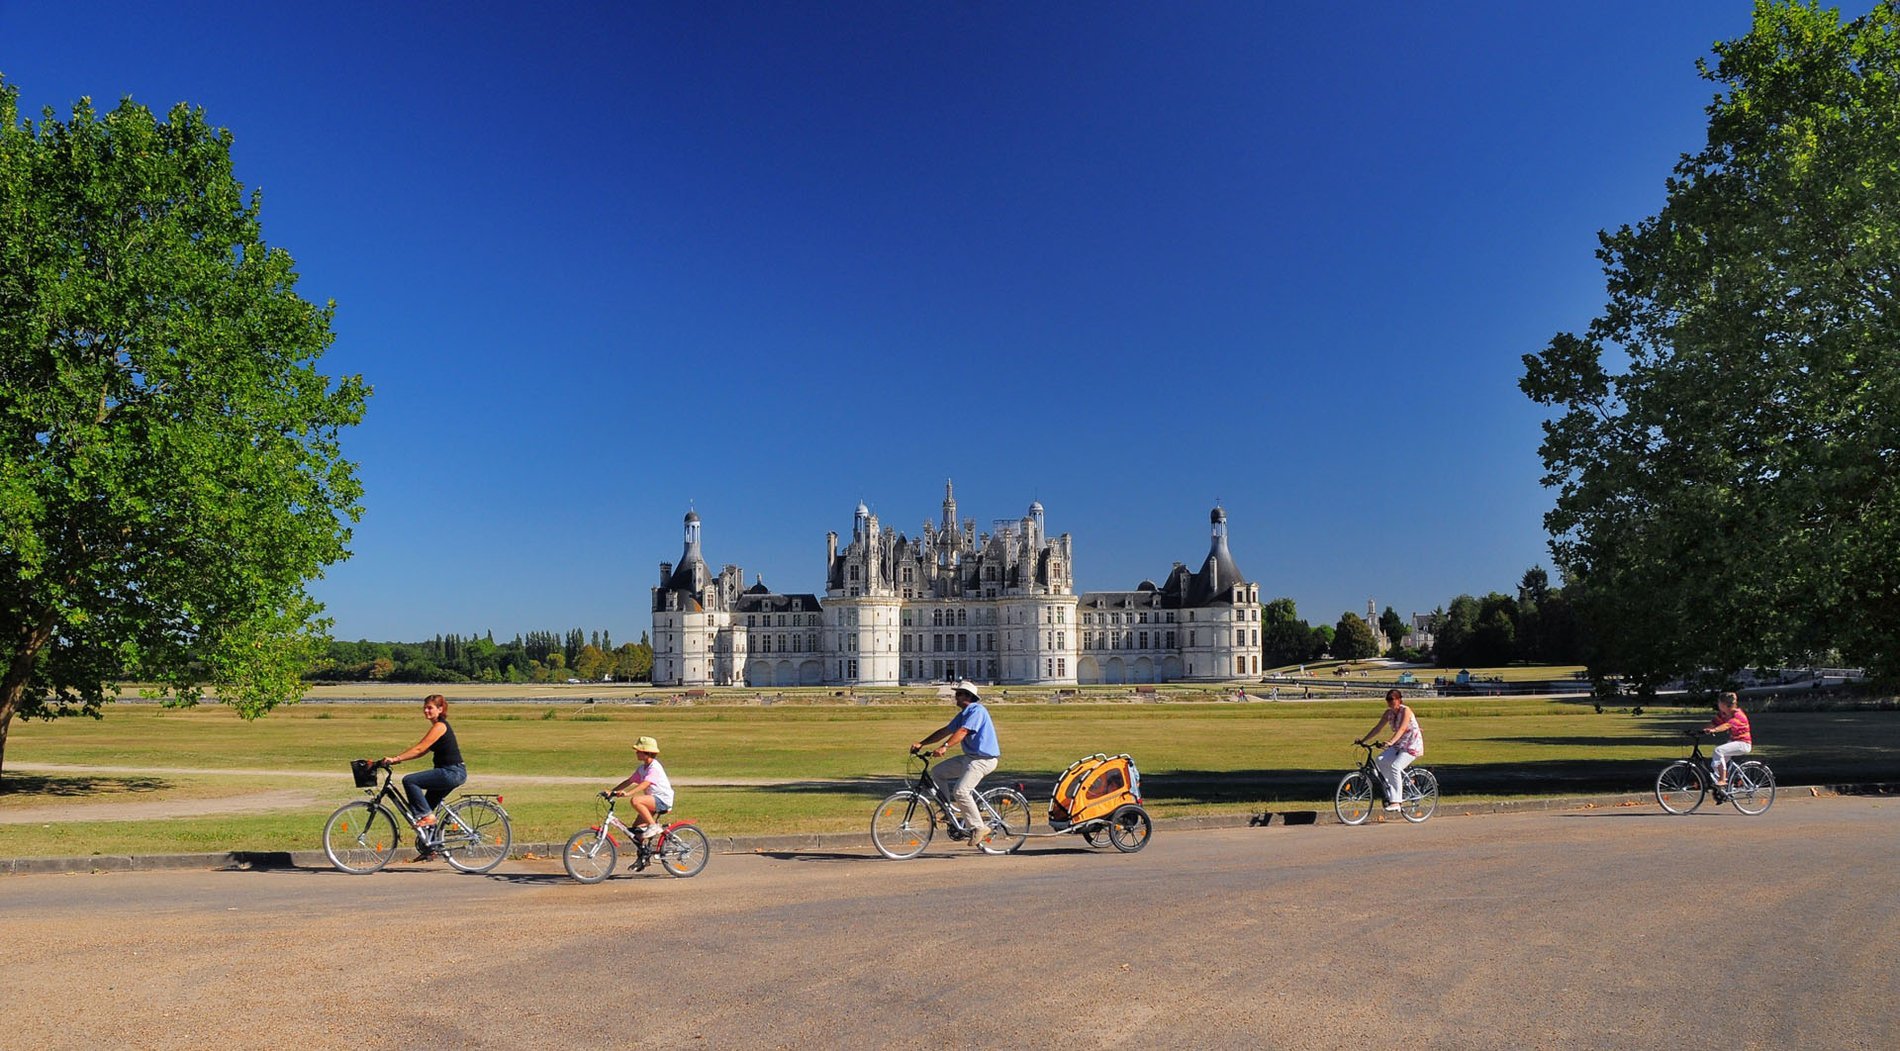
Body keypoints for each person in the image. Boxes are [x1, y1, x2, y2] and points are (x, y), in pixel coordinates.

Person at [376, 694, 465, 859]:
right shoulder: (438, 727)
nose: (426, 710)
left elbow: (419, 748)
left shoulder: (440, 726)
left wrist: (395, 759)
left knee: (410, 781)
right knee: (426, 808)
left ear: (440, 709)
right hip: (451, 772)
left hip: (451, 772)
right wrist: (399, 760)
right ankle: (430, 849)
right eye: (424, 707)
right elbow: (422, 752)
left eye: (430, 707)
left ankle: (429, 818)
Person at [912, 680, 1001, 846]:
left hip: (983, 760)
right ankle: (947, 810)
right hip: (970, 758)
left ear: (969, 696)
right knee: (938, 772)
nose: (956, 696)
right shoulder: (964, 713)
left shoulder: (977, 710)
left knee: (961, 791)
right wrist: (922, 743)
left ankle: (978, 827)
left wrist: (945, 747)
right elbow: (946, 730)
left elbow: (963, 731)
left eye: (959, 694)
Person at [1355, 689, 1423, 813]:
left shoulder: (1406, 711)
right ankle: (1392, 788)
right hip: (1399, 744)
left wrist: (1390, 742)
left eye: (1392, 700)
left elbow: (1402, 729)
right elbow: (1378, 728)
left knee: (1395, 767)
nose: (1390, 703)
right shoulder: (1389, 713)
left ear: (1399, 700)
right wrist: (1363, 740)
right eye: (1388, 700)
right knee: (1380, 760)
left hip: (1411, 745)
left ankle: (1396, 802)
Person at [607, 736, 674, 840]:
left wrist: (628, 793)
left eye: (639, 751)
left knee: (636, 800)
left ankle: (653, 826)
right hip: (652, 800)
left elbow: (645, 784)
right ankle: (643, 854)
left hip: (662, 800)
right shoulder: (642, 768)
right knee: (636, 831)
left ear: (647, 752)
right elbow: (629, 781)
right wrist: (612, 792)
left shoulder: (654, 767)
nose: (636, 753)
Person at [1702, 691, 1753, 789]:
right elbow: (1714, 722)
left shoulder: (1737, 715)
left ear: (1724, 704)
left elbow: (1727, 725)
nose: (1718, 704)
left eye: (1719, 702)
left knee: (1718, 750)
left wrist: (1714, 730)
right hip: (1735, 742)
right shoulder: (1724, 714)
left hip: (1743, 744)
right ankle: (1726, 786)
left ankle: (1722, 780)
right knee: (1716, 764)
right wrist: (1703, 730)